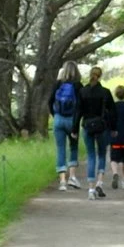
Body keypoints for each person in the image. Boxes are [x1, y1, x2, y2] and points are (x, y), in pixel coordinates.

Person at [79, 65, 115, 197]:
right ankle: (99, 182)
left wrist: (74, 128)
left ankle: (90, 189)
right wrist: (114, 128)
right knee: (101, 154)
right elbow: (112, 111)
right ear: (100, 76)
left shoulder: (83, 91)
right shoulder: (105, 92)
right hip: (101, 127)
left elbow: (78, 111)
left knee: (91, 155)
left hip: (87, 126)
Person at [48, 62, 84, 190]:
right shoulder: (78, 86)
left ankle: (62, 181)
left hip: (58, 119)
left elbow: (50, 101)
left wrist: (55, 115)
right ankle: (72, 177)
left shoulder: (58, 84)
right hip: (72, 120)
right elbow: (81, 106)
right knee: (73, 148)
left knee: (60, 149)